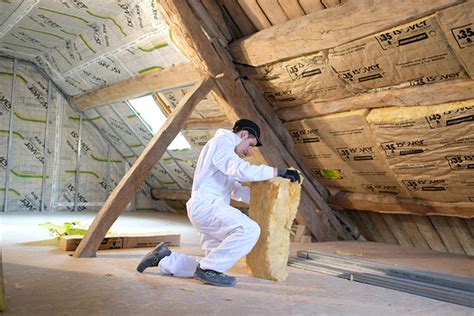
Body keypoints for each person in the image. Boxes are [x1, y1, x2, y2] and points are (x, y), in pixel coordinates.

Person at [136, 119, 301, 287]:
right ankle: (207, 270)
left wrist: (273, 199)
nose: (250, 152)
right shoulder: (223, 141)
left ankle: (165, 259)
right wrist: (277, 171)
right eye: (251, 145)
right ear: (243, 134)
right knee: (249, 230)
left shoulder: (224, 154)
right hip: (208, 206)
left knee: (212, 260)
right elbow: (238, 169)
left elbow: (236, 189)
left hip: (206, 208)